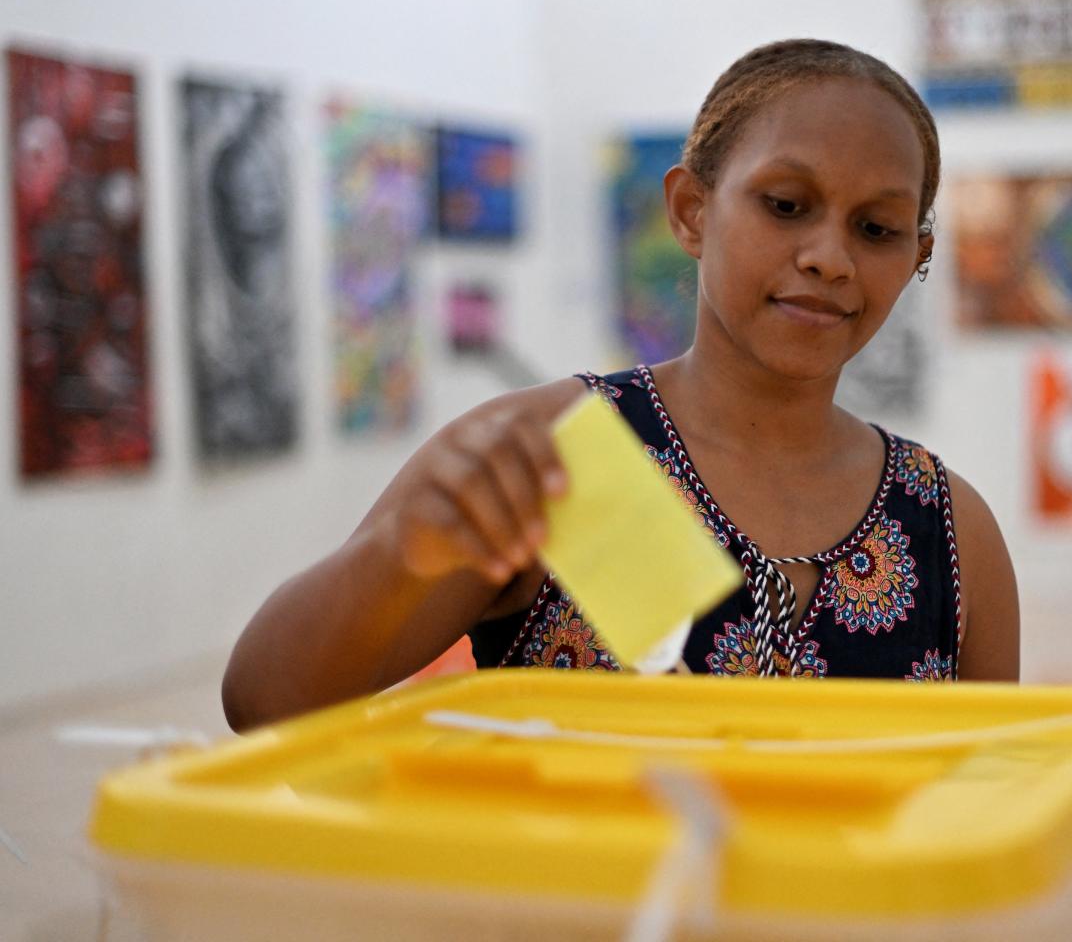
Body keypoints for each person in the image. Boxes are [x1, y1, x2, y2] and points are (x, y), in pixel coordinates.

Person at [222, 38, 1019, 732]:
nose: (829, 257)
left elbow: (990, 817)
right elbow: (263, 702)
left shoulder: (949, 531)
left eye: (875, 229)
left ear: (914, 258)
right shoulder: (556, 457)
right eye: (785, 205)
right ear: (690, 212)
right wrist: (401, 556)